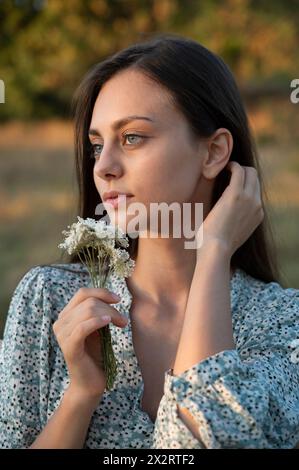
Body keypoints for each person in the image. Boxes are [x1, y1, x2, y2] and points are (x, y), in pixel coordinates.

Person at [0, 33, 298, 449]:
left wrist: (213, 251)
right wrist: (80, 396)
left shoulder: (284, 322)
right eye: (97, 145)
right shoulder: (48, 298)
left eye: (132, 137)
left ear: (213, 152)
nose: (103, 167)